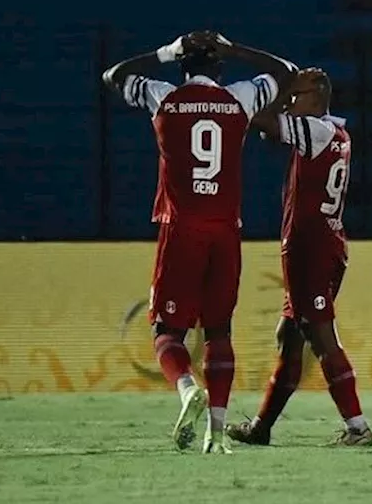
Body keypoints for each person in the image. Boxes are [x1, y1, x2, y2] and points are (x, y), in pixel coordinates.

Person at [101, 31, 298, 453]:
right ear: (220, 68)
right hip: (226, 229)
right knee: (218, 330)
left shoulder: (163, 96)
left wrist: (165, 52)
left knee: (166, 331)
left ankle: (187, 387)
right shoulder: (241, 98)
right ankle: (217, 430)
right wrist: (237, 48)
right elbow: (285, 73)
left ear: (182, 66)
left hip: (181, 227)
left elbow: (113, 75)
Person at [225, 68, 372, 447]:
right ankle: (262, 428)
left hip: (310, 248)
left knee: (321, 334)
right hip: (326, 242)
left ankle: (358, 428)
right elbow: (269, 129)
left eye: (297, 95)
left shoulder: (319, 132)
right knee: (289, 335)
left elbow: (261, 121)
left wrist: (263, 92)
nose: (290, 101)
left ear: (317, 98)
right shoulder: (336, 132)